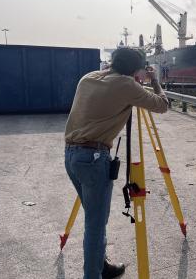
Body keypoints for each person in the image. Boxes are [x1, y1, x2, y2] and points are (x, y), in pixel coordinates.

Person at [64, 48, 168, 279]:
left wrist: (134, 79)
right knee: (95, 224)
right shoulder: (127, 85)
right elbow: (162, 105)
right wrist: (154, 81)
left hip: (71, 156)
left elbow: (112, 86)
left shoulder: (89, 77)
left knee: (94, 217)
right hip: (94, 158)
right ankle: (92, 275)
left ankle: (101, 267)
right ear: (135, 69)